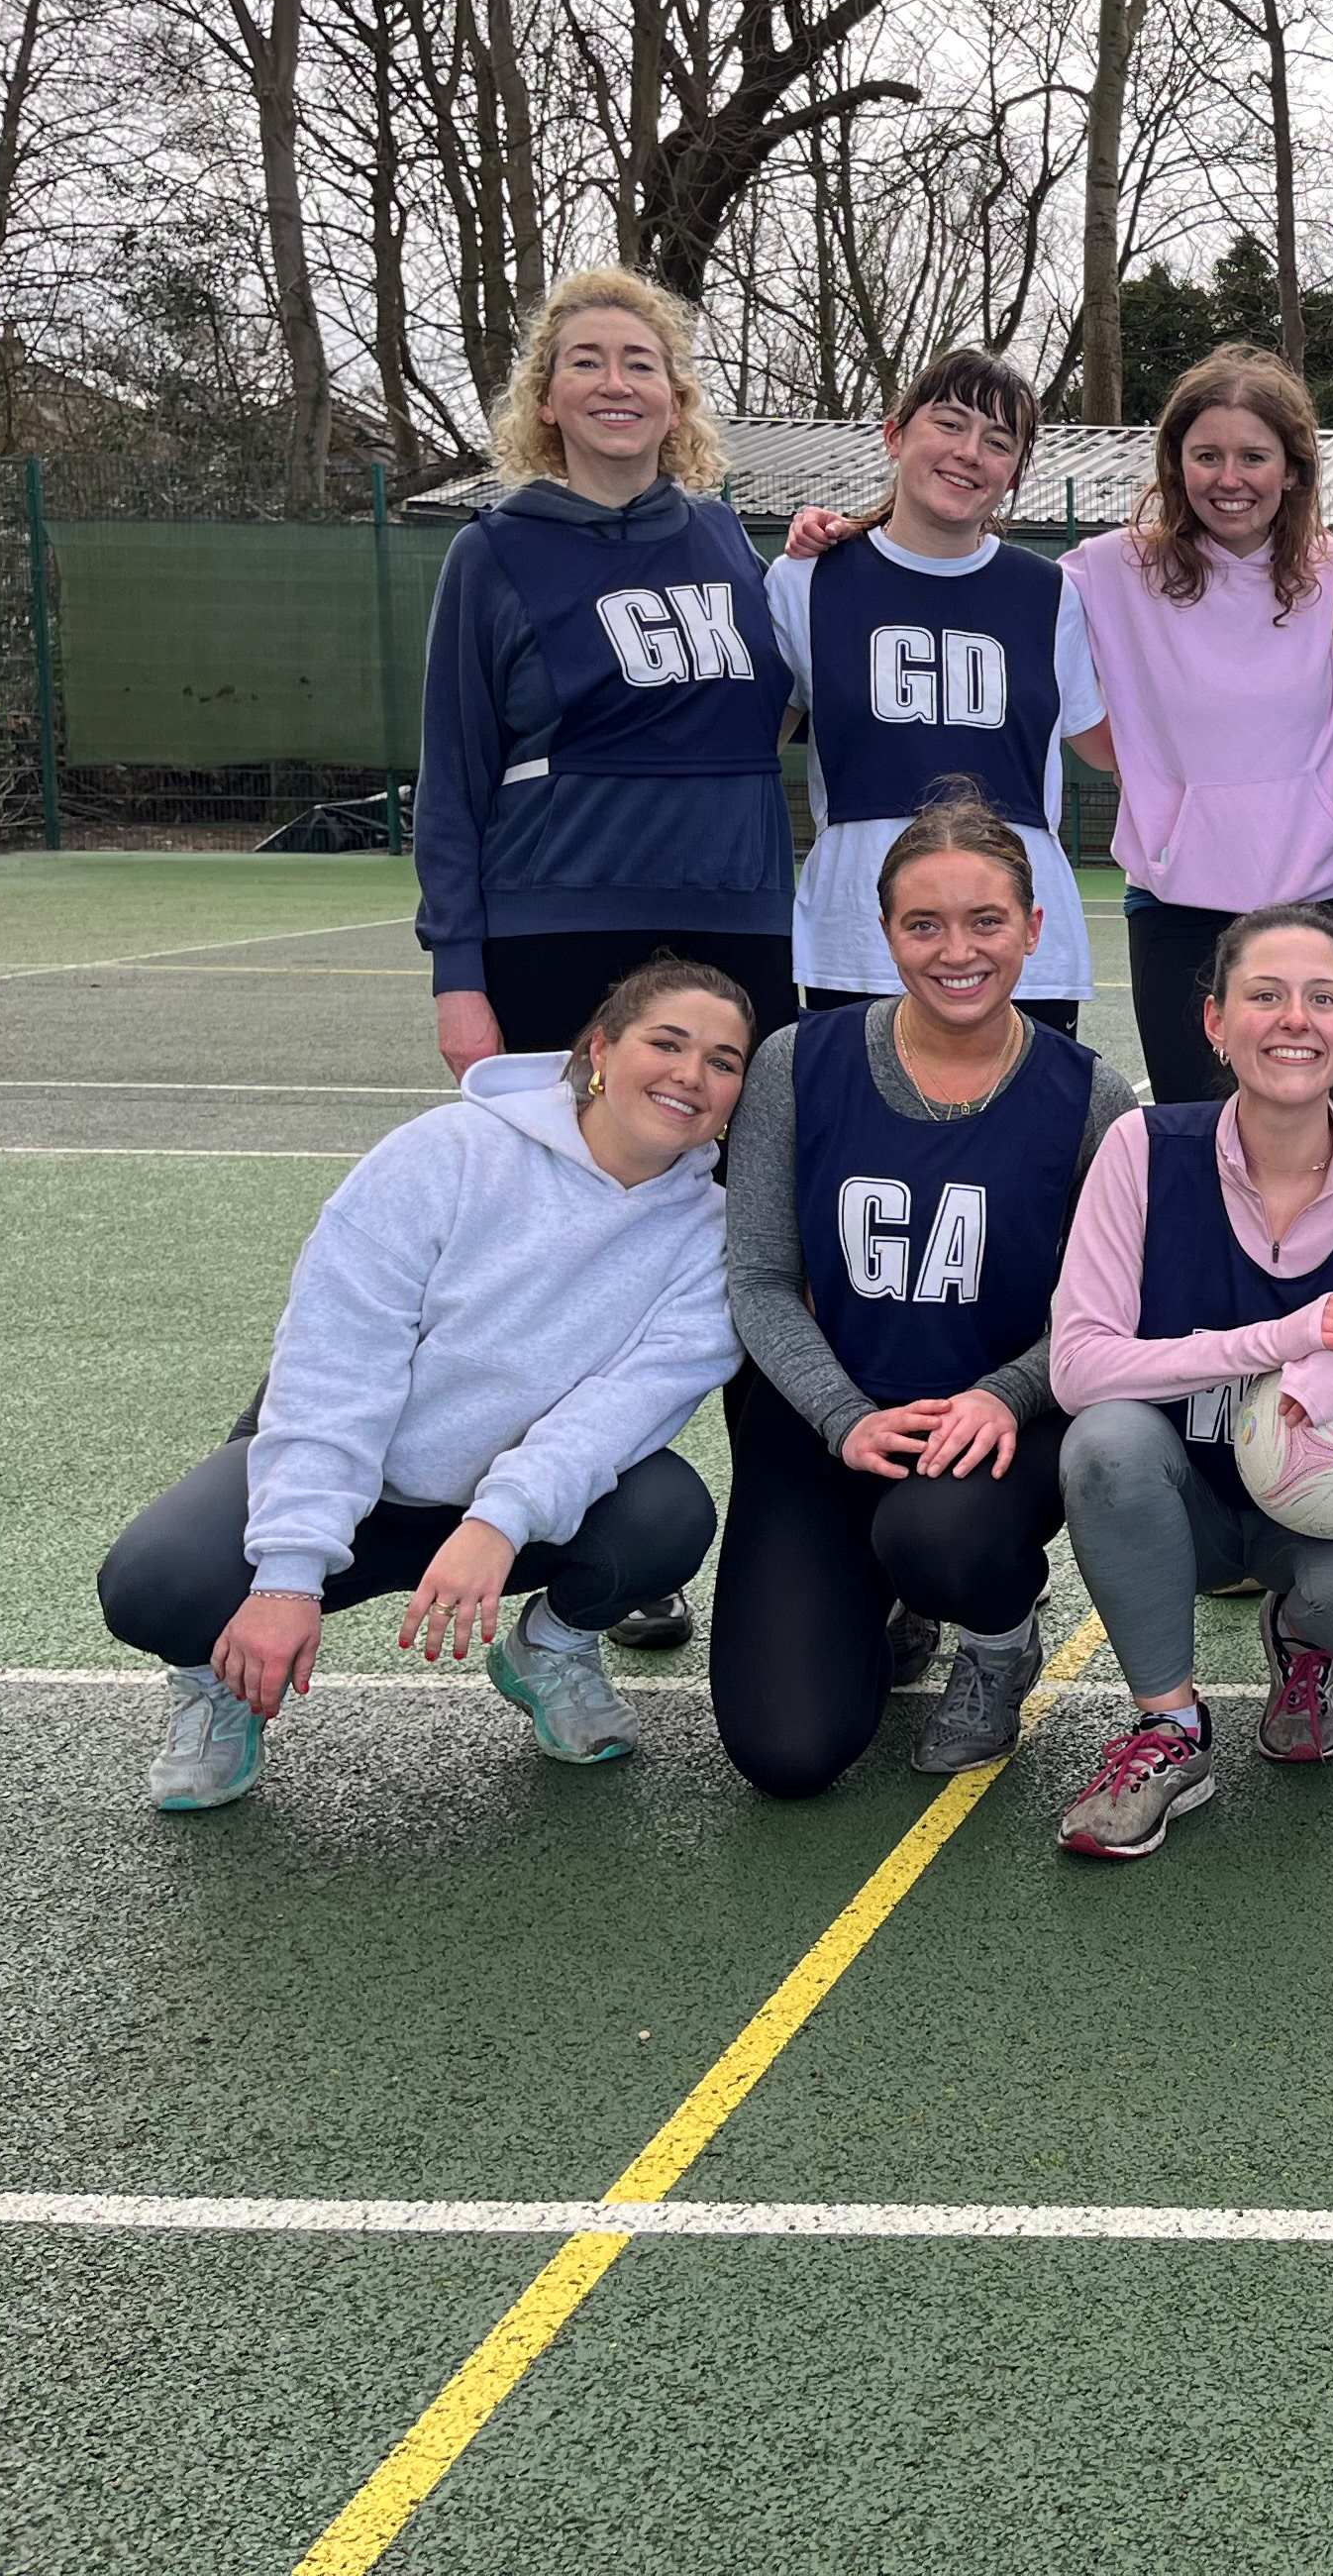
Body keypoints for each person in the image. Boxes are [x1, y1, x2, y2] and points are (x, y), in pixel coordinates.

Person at [97, 959, 751, 1808]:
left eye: (724, 1062)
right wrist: (289, 1574)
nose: (690, 1075)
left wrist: (499, 1520)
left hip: (512, 1512)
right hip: (362, 1478)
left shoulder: (714, 1241)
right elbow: (338, 1365)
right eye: (667, 1043)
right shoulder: (445, 1153)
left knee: (666, 1516)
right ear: (600, 1049)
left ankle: (549, 1651)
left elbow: (618, 1413)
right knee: (156, 1585)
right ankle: (217, 1685)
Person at [415, 264, 796, 1652]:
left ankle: (788, 1544)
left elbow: (785, 709)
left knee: (757, 1234)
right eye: (587, 361)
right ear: (547, 396)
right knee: (571, 1250)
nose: (616, 382)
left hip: (742, 924)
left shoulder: (724, 539)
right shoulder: (494, 553)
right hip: (558, 929)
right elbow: (453, 776)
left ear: (675, 393)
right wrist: (459, 968)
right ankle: (597, 1541)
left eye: (641, 359)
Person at [709, 785, 1140, 1798]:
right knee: (789, 1752)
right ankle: (876, 1591)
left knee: (935, 1539)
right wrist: (843, 1419)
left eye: (987, 921)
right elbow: (761, 1279)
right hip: (828, 1421)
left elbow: (1096, 1318)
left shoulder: (1089, 1097)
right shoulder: (797, 1063)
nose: (959, 951)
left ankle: (994, 1636)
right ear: (886, 931)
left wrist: (1004, 1394)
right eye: (925, 924)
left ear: (1034, 930)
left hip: (991, 1434)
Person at [1046, 903, 1333, 1859]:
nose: (1297, 1019)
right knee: (1105, 1443)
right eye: (1267, 995)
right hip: (1183, 1501)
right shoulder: (1147, 1152)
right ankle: (1170, 1730)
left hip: (1330, 1512)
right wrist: (1283, 1337)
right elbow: (1078, 1366)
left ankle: (1303, 1639)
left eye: (1324, 998)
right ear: (1215, 1020)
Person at [769, 348, 1111, 1037]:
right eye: (949, 424)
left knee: (1024, 1143)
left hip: (1016, 948)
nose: (969, 454)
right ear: (895, 434)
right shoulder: (804, 581)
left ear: (1014, 475)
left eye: (998, 441)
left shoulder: (1052, 594)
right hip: (858, 942)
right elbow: (747, 745)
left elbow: (1109, 747)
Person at [1072, 344, 1333, 1106]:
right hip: (1177, 915)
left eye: (1254, 456)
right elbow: (983, 580)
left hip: (1310, 907)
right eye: (1206, 455)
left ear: (1294, 469)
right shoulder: (1111, 569)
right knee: (1197, 1142)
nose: (1230, 479)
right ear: (1176, 464)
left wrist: (1318, 802)